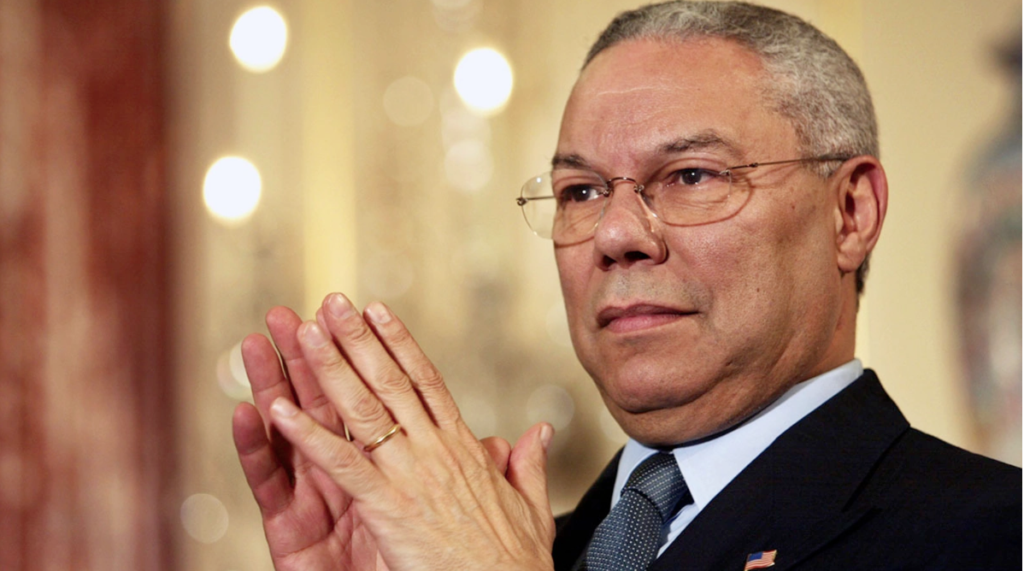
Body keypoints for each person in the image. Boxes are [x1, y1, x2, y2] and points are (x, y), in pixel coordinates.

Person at [231, 2, 1022, 570]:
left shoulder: (991, 533)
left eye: (691, 176)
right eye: (580, 191)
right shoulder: (527, 548)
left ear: (850, 213)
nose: (615, 235)